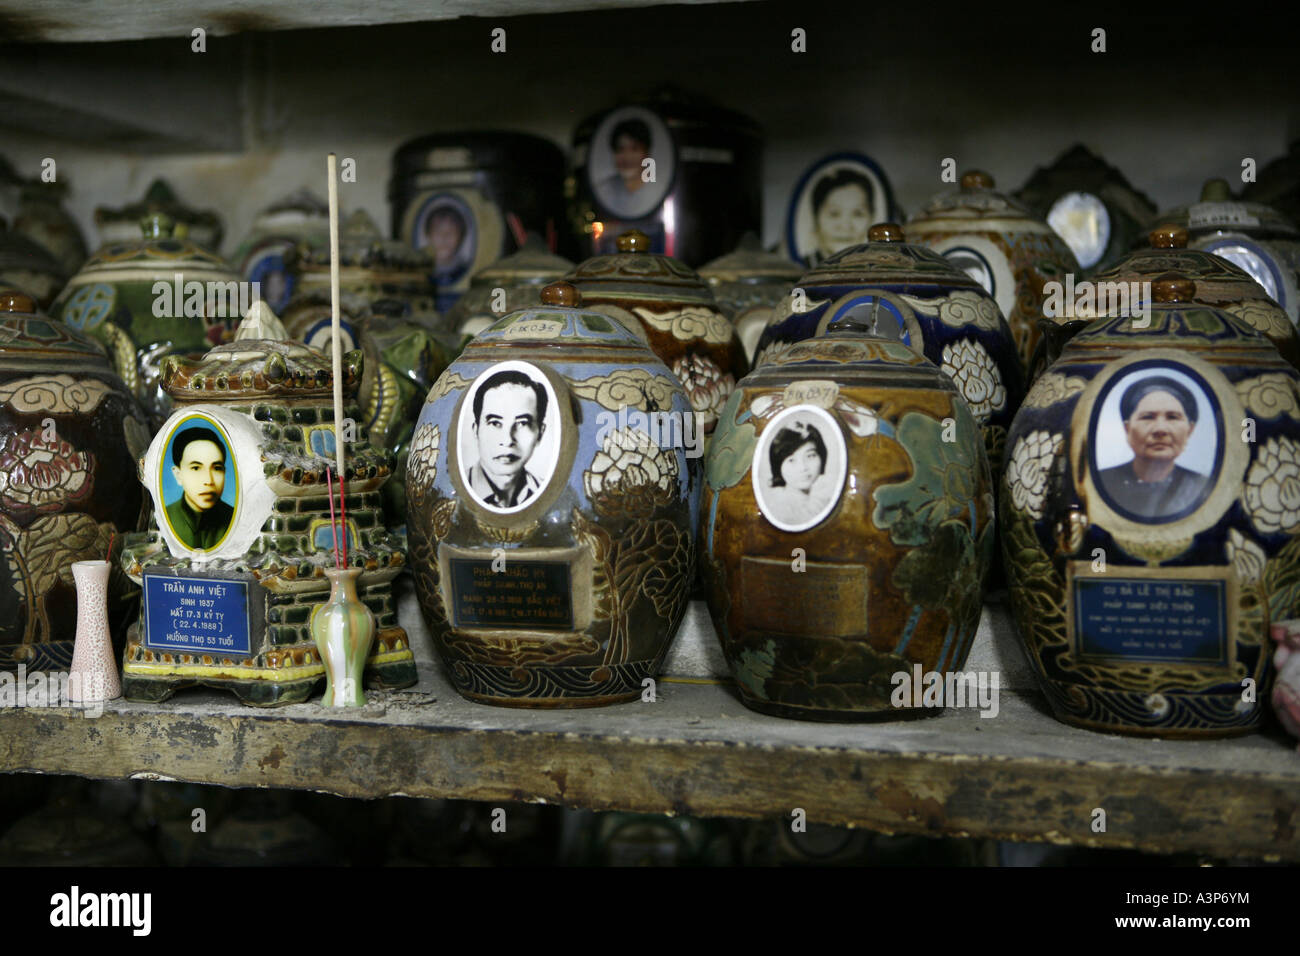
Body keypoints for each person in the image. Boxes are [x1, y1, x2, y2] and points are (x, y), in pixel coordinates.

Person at [1097, 376, 1211, 519]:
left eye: (1173, 417)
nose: (1160, 429)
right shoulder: (1102, 482)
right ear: (1127, 428)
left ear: (1190, 429)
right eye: (1147, 417)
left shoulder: (1201, 485)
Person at [466, 369, 549, 509]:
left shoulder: (550, 496)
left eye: (522, 423)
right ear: (476, 430)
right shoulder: (451, 491)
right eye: (495, 423)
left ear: (540, 433)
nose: (507, 440)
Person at [165, 426, 234, 550]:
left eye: (217, 468)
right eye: (196, 468)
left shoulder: (237, 521)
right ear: (178, 475)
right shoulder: (164, 521)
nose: (208, 481)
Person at [764, 420, 832, 526]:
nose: (803, 468)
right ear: (778, 465)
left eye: (810, 456)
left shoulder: (823, 503)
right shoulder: (778, 510)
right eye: (791, 460)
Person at [809, 168, 874, 263]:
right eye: (834, 213)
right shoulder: (798, 271)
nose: (845, 226)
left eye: (858, 213)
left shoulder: (881, 268)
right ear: (816, 217)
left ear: (871, 217)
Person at [598, 118, 655, 217]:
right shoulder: (602, 191)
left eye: (635, 149)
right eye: (620, 149)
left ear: (646, 153)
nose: (627, 157)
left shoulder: (657, 189)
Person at [424, 203, 471, 282]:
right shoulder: (422, 271)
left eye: (451, 232)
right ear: (429, 236)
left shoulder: (465, 271)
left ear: (460, 237)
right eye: (438, 232)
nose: (444, 237)